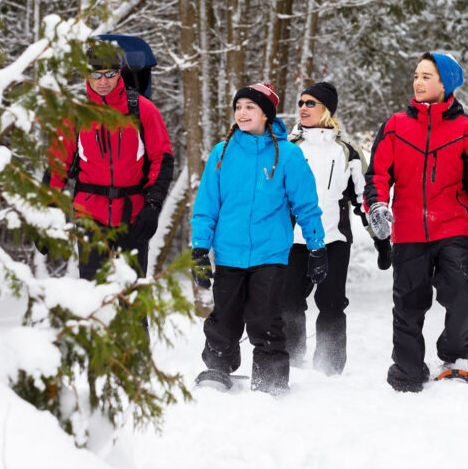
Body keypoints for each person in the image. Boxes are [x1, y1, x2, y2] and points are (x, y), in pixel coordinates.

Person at [364, 52, 468, 393]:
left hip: (452, 227)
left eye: (427, 76)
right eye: (416, 75)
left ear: (446, 83)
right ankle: (408, 370)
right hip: (409, 230)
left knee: (463, 294)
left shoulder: (466, 129)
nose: (418, 82)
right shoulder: (396, 126)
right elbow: (377, 174)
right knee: (409, 303)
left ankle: (456, 357)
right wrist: (377, 204)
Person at [190, 83, 327, 395]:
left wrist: (317, 247)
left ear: (266, 114)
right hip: (228, 253)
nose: (242, 112)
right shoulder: (222, 153)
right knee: (223, 316)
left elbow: (306, 205)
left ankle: (270, 377)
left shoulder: (288, 155)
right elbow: (207, 204)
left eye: (250, 107)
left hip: (270, 254)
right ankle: (217, 367)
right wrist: (199, 248)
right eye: (239, 107)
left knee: (265, 317)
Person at [281, 81, 390, 375]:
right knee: (289, 302)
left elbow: (363, 199)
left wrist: (380, 240)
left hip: (334, 240)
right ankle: (292, 360)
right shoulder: (288, 148)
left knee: (331, 304)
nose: (302, 108)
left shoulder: (349, 152)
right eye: (301, 102)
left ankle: (330, 366)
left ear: (326, 109)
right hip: (293, 240)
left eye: (310, 103)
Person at [45, 40, 174, 280]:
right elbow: (56, 165)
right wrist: (46, 215)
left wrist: (153, 206)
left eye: (110, 74)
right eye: (96, 74)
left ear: (119, 73)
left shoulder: (143, 110)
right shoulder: (75, 113)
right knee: (92, 298)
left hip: (134, 214)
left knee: (133, 300)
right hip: (89, 214)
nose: (103, 81)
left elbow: (162, 159)